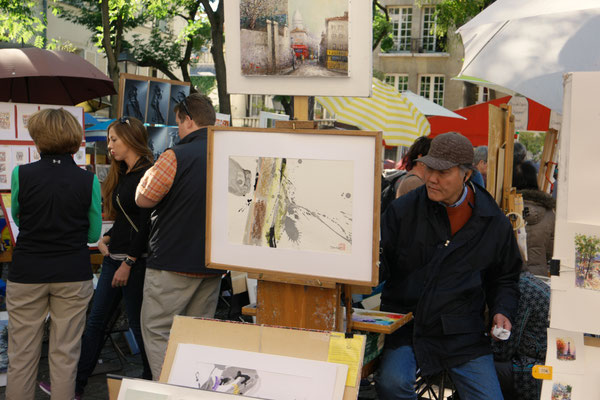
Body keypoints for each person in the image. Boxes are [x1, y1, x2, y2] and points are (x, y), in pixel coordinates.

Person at [376, 132, 521, 400]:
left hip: (462, 332)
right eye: (429, 168)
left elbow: (505, 278)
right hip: (409, 326)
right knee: (392, 385)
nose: (432, 178)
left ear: (466, 175)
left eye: (443, 172)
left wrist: (502, 311)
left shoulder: (493, 222)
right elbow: (380, 261)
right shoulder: (404, 210)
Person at [39, 117, 154, 398]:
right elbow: (129, 221)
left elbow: (146, 224)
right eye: (109, 140)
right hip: (116, 258)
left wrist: (129, 262)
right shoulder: (126, 172)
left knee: (140, 327)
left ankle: (151, 384)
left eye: (114, 139)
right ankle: (75, 386)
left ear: (130, 138)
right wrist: (110, 235)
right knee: (95, 323)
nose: (110, 145)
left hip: (133, 263)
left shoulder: (147, 173)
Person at [6, 108, 102, 400]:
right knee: (65, 355)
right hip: (73, 273)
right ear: (73, 139)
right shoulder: (89, 180)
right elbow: (93, 234)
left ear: (38, 139)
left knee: (21, 355)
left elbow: (20, 218)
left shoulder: (21, 173)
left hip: (27, 272)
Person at [135, 93, 223, 379]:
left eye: (178, 123)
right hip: (212, 263)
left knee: (158, 329)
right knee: (197, 334)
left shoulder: (176, 155)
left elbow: (144, 198)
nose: (178, 130)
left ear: (188, 119)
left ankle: (169, 391)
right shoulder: (228, 152)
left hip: (172, 260)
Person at [513, 160, 555, 276]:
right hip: (539, 277)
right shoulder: (549, 213)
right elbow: (551, 251)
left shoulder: (507, 210)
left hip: (511, 277)